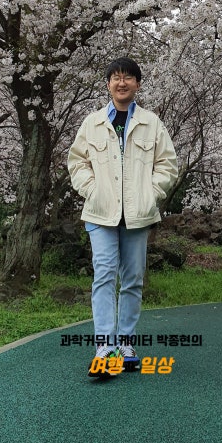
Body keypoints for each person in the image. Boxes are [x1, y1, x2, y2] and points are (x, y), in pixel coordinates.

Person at [68, 57, 178, 379]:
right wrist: (92, 190)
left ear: (137, 84)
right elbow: (77, 162)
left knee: (132, 279)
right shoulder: (92, 123)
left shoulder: (151, 123)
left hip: (137, 215)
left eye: (128, 78)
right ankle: (105, 347)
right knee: (103, 275)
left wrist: (150, 193)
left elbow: (167, 164)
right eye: (116, 78)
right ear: (108, 84)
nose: (121, 83)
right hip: (100, 213)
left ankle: (126, 344)